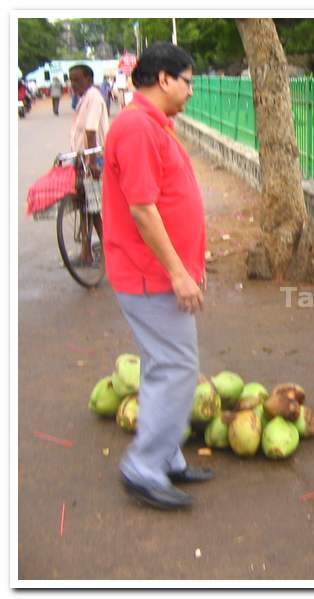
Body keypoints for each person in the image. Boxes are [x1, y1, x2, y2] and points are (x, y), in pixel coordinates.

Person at [102, 42, 209, 510]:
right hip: (150, 277)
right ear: (164, 79)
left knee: (160, 366)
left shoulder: (150, 124)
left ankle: (165, 456)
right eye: (188, 81)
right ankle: (143, 467)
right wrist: (179, 274)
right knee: (177, 368)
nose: (190, 92)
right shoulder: (136, 128)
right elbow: (143, 211)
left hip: (155, 274)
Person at [68, 64, 110, 265]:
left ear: (89, 79)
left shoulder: (93, 97)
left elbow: (91, 130)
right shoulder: (84, 98)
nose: (73, 84)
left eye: (77, 80)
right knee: (88, 207)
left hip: (94, 158)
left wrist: (93, 161)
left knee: (91, 206)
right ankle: (90, 251)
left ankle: (100, 250)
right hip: (85, 158)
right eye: (71, 80)